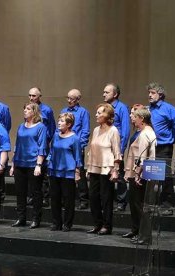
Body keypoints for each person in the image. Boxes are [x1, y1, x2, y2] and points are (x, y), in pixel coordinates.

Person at [10, 102, 47, 229]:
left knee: (35, 192)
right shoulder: (21, 126)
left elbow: (42, 146)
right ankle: (21, 218)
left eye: (28, 109)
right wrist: (13, 164)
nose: (25, 110)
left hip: (33, 163)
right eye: (24, 108)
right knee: (20, 192)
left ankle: (36, 219)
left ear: (34, 111)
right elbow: (17, 145)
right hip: (20, 162)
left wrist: (39, 164)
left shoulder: (40, 127)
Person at [147, 82, 175, 216]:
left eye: (153, 93)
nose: (149, 95)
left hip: (163, 146)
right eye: (149, 93)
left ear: (160, 95)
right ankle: (150, 204)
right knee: (150, 176)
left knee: (165, 176)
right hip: (151, 147)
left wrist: (171, 139)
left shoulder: (169, 108)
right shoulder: (148, 109)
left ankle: (167, 205)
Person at [86, 103, 122, 235]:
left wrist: (115, 170)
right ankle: (97, 223)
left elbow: (117, 152)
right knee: (93, 197)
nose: (96, 115)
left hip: (107, 169)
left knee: (106, 199)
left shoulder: (113, 131)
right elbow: (92, 150)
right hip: (94, 168)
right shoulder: (96, 130)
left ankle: (107, 225)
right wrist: (88, 168)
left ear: (107, 115)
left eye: (99, 113)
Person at [122, 108, 156, 244]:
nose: (132, 118)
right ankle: (137, 231)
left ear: (141, 118)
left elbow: (142, 158)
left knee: (140, 205)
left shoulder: (144, 134)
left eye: (134, 116)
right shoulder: (147, 132)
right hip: (143, 173)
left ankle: (144, 236)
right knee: (137, 204)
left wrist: (137, 174)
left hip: (142, 175)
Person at [48, 112, 82, 232]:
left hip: (68, 172)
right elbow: (51, 151)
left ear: (69, 124)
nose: (59, 123)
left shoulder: (75, 138)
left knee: (68, 199)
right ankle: (56, 222)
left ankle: (67, 223)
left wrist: (77, 172)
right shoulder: (56, 135)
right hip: (55, 170)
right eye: (59, 120)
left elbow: (78, 156)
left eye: (62, 121)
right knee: (55, 198)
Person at [61, 89, 90, 210]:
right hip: (64, 146)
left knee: (79, 172)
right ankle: (66, 198)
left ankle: (83, 199)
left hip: (76, 146)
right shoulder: (64, 111)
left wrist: (80, 146)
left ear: (78, 99)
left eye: (71, 98)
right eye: (67, 98)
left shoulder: (83, 112)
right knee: (64, 172)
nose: (69, 101)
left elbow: (85, 131)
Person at [103, 83, 130, 212]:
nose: (104, 94)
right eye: (104, 92)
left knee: (118, 174)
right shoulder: (104, 108)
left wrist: (122, 149)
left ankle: (121, 201)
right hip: (105, 146)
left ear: (115, 94)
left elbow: (125, 130)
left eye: (107, 92)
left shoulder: (122, 108)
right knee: (105, 173)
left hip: (116, 146)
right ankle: (107, 200)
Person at [27, 87, 56, 207]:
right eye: (30, 95)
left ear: (39, 96)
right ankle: (32, 196)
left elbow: (52, 128)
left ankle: (44, 197)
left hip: (43, 143)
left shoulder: (47, 110)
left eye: (34, 96)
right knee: (30, 171)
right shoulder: (28, 109)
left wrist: (48, 141)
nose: (31, 98)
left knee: (43, 172)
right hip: (31, 144)